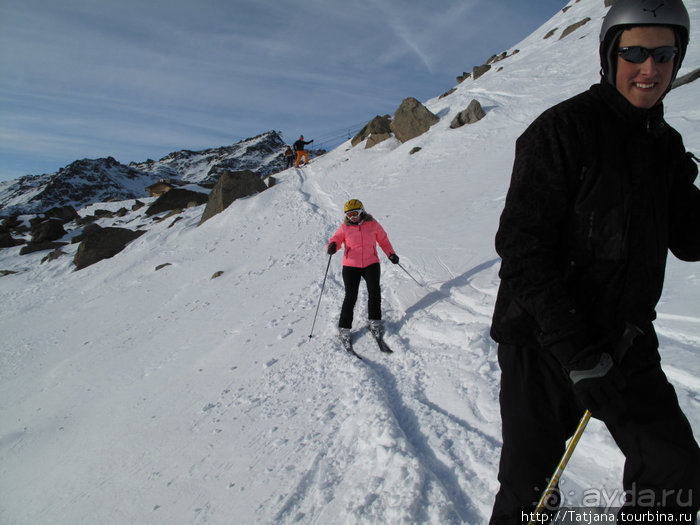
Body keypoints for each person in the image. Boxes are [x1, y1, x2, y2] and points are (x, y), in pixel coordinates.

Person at [488, 0, 700, 523]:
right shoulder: (562, 131)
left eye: (665, 54)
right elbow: (521, 251)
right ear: (610, 55)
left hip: (624, 337)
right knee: (529, 489)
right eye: (635, 52)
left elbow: (689, 238)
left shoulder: (665, 147)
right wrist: (577, 352)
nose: (650, 68)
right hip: (543, 341)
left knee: (675, 471)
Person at [327, 199, 399, 346]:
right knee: (351, 296)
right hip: (350, 265)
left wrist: (390, 254)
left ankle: (375, 322)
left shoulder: (373, 225)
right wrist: (333, 245)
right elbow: (337, 238)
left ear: (361, 211)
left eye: (354, 213)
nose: (352, 217)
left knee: (374, 292)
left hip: (371, 263)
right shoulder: (345, 227)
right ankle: (344, 329)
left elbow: (383, 240)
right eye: (348, 214)